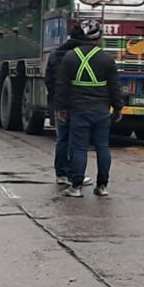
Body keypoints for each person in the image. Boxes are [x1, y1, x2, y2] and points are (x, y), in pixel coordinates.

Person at [53, 18, 123, 198]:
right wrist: (118, 108)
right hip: (101, 111)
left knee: (79, 148)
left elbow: (62, 86)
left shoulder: (70, 57)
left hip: (79, 111)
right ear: (98, 37)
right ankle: (102, 186)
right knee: (102, 147)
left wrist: (61, 108)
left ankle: (76, 187)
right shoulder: (107, 59)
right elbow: (115, 87)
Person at [44, 23, 83, 185]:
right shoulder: (82, 55)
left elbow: (48, 79)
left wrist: (55, 98)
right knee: (77, 140)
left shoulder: (55, 54)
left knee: (62, 139)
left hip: (59, 102)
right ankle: (74, 174)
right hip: (78, 102)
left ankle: (61, 173)